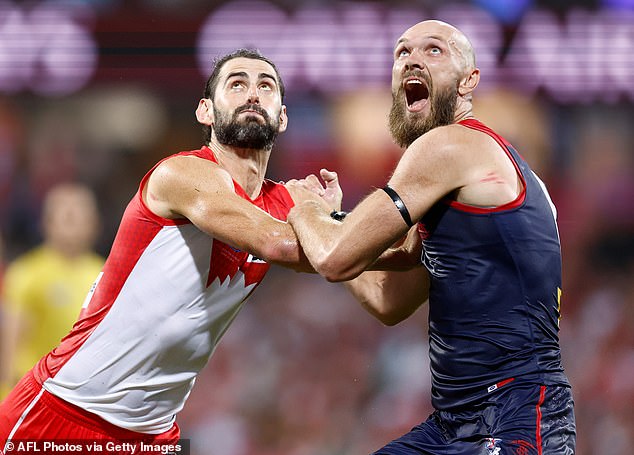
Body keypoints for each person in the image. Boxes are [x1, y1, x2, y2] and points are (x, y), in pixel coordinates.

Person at [0, 49, 341, 453]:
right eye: (236, 84)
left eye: (265, 86)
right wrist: (322, 217)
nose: (252, 93)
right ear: (206, 112)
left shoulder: (286, 205)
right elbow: (282, 244)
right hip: (65, 414)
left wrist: (418, 230)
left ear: (282, 116)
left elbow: (357, 273)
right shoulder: (182, 174)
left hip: (155, 434)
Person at [287, 20, 576, 454]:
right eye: (402, 52)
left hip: (517, 413)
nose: (412, 60)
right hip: (454, 423)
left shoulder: (448, 145)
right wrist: (331, 225)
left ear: (468, 82)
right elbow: (390, 301)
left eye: (434, 50)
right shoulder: (481, 180)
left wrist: (305, 207)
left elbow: (333, 257)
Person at [0, 183, 104, 400]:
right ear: (46, 223)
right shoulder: (26, 274)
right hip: (34, 396)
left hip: (84, 397)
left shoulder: (106, 274)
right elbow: (9, 348)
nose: (72, 220)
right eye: (65, 214)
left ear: (94, 224)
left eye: (78, 214)